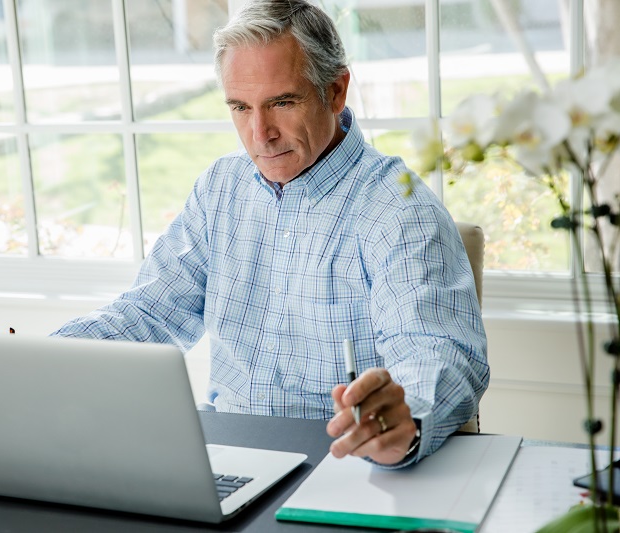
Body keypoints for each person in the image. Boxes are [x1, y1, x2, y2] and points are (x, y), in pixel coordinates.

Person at [52, 0, 488, 467]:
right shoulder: (220, 189)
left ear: (336, 91)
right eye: (240, 107)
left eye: (282, 102)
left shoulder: (399, 211)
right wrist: (40, 363)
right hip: (226, 459)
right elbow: (148, 314)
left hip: (342, 467)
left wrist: (403, 417)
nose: (260, 134)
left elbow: (439, 352)